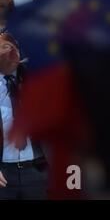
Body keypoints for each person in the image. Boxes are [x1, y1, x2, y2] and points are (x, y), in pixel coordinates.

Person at [0, 32, 48, 199]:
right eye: (6, 47)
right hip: (3, 174)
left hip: (37, 171)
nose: (14, 52)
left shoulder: (33, 79)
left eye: (16, 48)